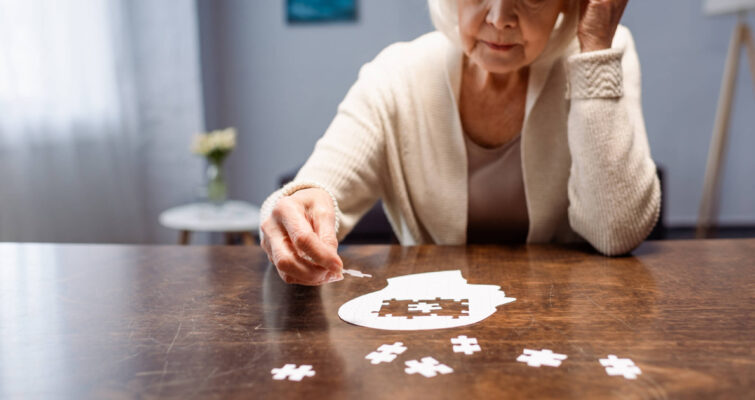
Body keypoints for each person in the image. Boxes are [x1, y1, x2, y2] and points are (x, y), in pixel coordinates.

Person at [259, 0, 660, 286]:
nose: (501, 18)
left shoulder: (602, 50)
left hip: (569, 322)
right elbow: (315, 187)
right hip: (432, 326)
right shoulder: (396, 73)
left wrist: (594, 50)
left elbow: (615, 234)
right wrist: (295, 208)